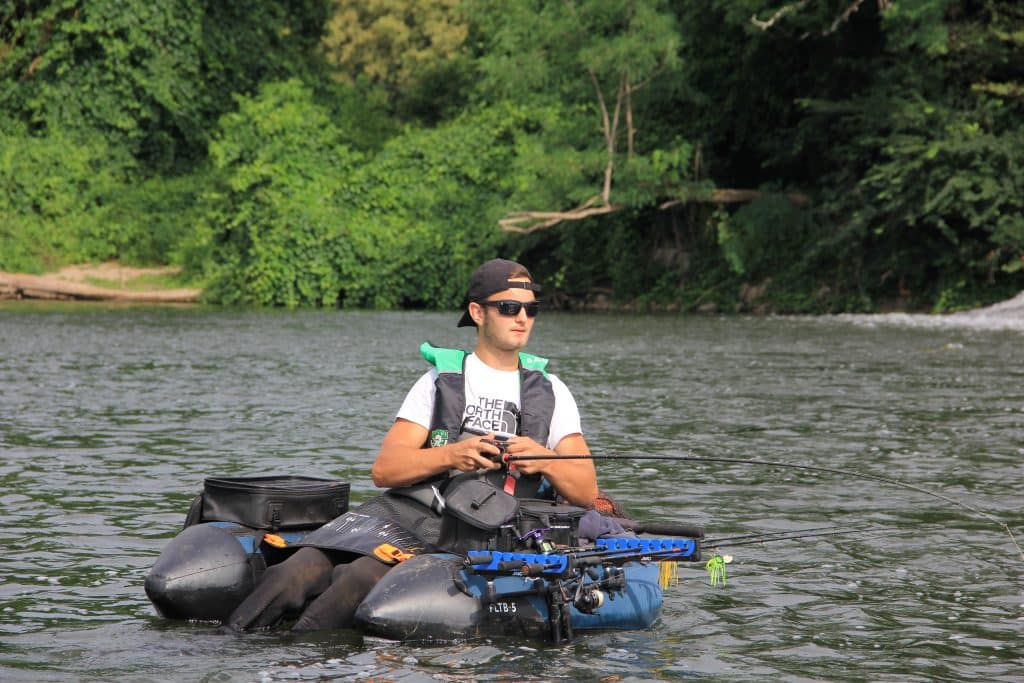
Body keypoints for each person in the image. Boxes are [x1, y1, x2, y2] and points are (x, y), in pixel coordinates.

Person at [227, 258, 598, 632]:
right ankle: (230, 644)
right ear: (478, 312)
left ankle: (295, 656)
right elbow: (385, 469)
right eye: (508, 308)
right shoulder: (438, 380)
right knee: (295, 567)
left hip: (470, 533)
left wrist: (547, 460)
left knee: (358, 579)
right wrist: (452, 454)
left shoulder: (554, 392)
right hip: (407, 514)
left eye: (530, 309)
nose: (522, 318)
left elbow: (586, 490)